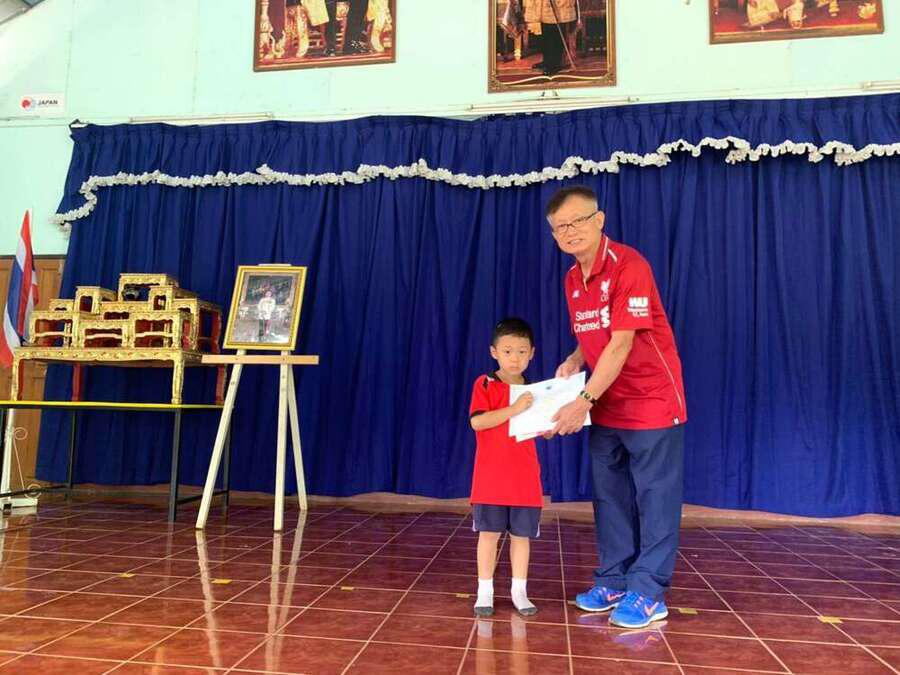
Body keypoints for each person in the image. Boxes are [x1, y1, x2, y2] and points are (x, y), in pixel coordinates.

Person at [544, 185, 687, 629]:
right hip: (606, 404)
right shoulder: (572, 279)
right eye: (560, 227)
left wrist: (583, 400)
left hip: (650, 401)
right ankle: (613, 579)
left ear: (599, 219)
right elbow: (595, 332)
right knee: (610, 498)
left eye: (578, 221)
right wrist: (575, 359)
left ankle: (648, 591)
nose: (570, 232)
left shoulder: (630, 265)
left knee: (655, 498)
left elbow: (622, 341)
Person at [469, 318, 543, 618]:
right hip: (490, 478)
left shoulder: (536, 390)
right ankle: (484, 591)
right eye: (508, 351)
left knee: (521, 537)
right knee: (488, 534)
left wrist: (550, 425)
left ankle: (519, 591)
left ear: (532, 353)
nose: (515, 358)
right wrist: (514, 409)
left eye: (522, 351)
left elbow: (541, 429)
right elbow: (478, 422)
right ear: (494, 352)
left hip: (525, 478)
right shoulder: (484, 383)